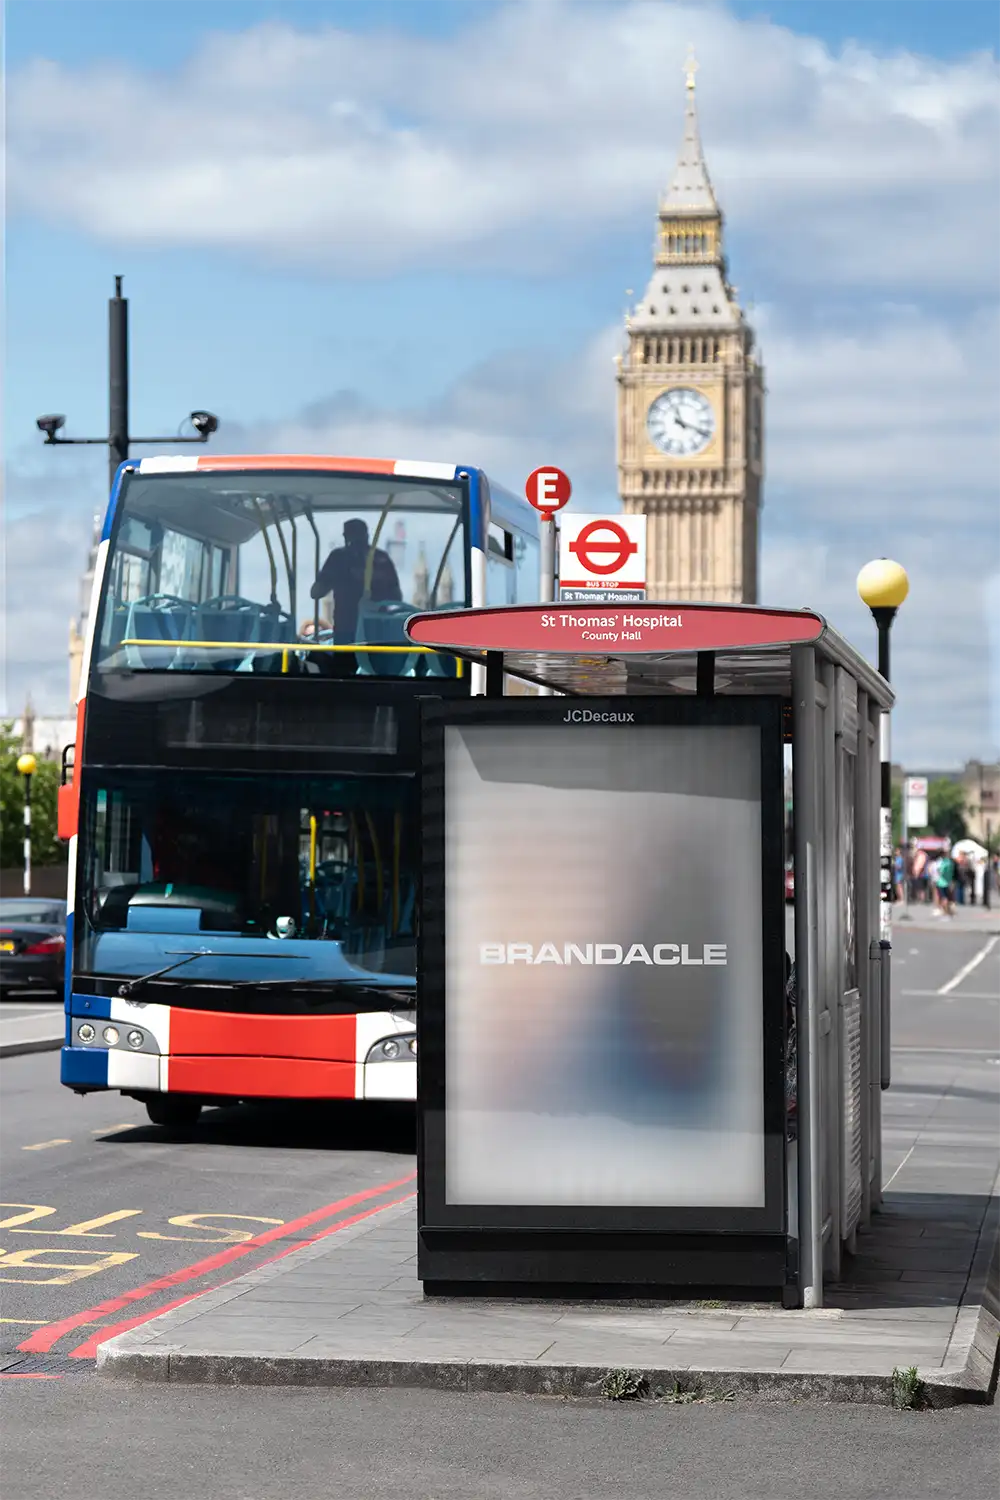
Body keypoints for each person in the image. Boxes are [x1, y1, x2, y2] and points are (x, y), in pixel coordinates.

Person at [310, 519, 402, 644]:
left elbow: (316, 592)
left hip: (363, 629)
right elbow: (316, 592)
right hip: (363, 629)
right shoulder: (380, 558)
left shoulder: (379, 559)